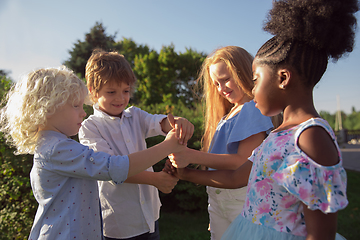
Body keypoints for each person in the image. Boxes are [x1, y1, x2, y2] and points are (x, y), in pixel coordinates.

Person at [169, 0, 358, 239]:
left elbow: (321, 233)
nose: (252, 88)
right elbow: (237, 177)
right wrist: (185, 174)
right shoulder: (279, 133)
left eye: (256, 79)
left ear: (283, 78)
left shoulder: (311, 137)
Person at [0, 66, 185, 240]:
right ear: (48, 108)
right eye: (75, 106)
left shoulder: (55, 145)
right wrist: (167, 146)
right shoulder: (58, 149)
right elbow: (114, 168)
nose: (83, 112)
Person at [78, 49, 194, 240]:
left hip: (150, 215)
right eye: (111, 92)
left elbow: (159, 122)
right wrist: (154, 179)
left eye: (126, 91)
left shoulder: (135, 115)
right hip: (120, 222)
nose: (120, 98)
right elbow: (110, 169)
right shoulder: (90, 127)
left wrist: (176, 122)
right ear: (92, 91)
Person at [165, 46, 274, 240]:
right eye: (216, 83)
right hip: (219, 200)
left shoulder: (251, 109)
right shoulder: (229, 114)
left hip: (241, 199)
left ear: (243, 71)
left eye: (225, 79)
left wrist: (191, 156)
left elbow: (242, 161)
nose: (221, 88)